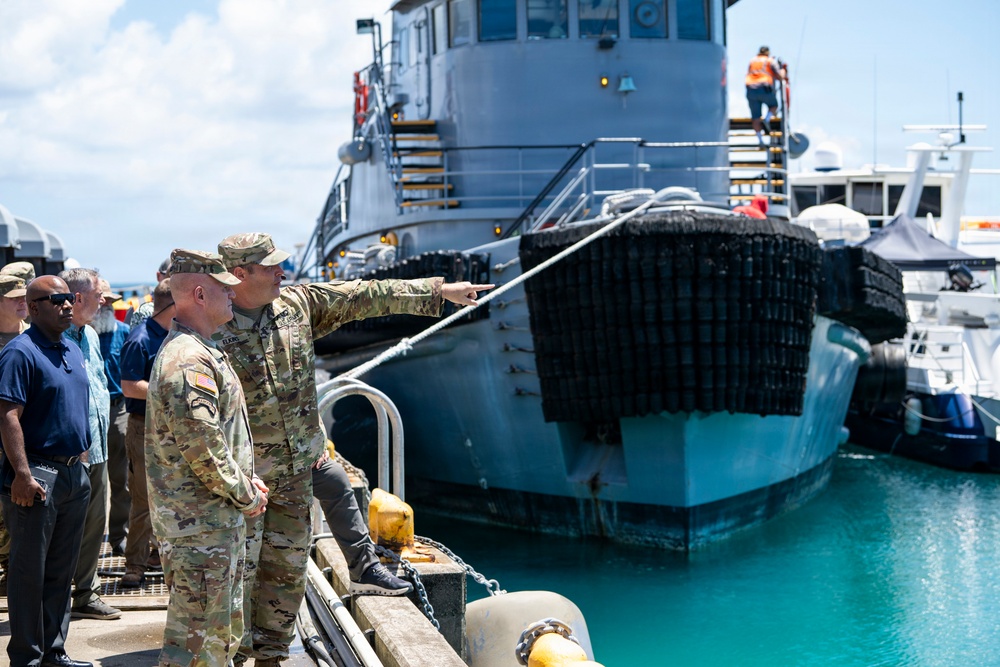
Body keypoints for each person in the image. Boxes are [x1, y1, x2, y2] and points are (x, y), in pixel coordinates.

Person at [215, 232, 493, 666]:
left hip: (298, 468)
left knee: (286, 574)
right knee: (237, 575)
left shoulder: (297, 306)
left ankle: (270, 659)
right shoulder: (211, 325)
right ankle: (231, 657)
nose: (280, 272)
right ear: (239, 274)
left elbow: (366, 295)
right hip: (242, 482)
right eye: (269, 267)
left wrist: (439, 292)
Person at [146, 249, 268, 667]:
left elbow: (217, 442)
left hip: (212, 523)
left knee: (217, 641)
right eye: (225, 288)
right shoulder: (187, 360)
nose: (234, 295)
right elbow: (204, 448)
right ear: (199, 294)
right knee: (196, 650)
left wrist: (246, 482)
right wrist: (246, 494)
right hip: (198, 528)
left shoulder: (202, 349)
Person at [0, 275, 93, 667]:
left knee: (60, 571)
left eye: (70, 298)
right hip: (38, 476)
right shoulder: (20, 353)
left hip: (75, 475)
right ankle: (26, 658)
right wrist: (22, 473)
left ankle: (54, 652)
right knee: (28, 573)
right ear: (34, 308)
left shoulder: (71, 348)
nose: (68, 305)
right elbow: (7, 415)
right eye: (57, 300)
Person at [59, 268, 122, 622]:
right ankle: (51, 598)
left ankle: (86, 593)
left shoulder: (91, 336)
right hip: (69, 453)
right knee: (63, 529)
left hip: (96, 447)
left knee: (94, 525)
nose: (104, 301)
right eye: (98, 295)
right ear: (78, 298)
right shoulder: (53, 338)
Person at [118, 279, 173, 587]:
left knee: (172, 498)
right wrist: (170, 393)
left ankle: (166, 561)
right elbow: (129, 385)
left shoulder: (173, 335)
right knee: (143, 499)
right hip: (144, 426)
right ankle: (135, 565)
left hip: (170, 427)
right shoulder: (140, 339)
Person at [94, 279, 131, 556]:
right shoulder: (78, 333)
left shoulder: (125, 332)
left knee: (122, 479)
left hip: (118, 409)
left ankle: (120, 536)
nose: (106, 304)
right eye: (102, 299)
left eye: (110, 300)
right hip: (90, 410)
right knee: (93, 480)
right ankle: (89, 543)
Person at [0, 275, 28, 594]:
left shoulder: (32, 337)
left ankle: (12, 573)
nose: (23, 302)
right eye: (14, 297)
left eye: (24, 296)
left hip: (23, 441)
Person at [745, 45, 787, 145]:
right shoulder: (770, 61)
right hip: (764, 87)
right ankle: (767, 120)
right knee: (773, 105)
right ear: (768, 53)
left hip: (750, 88)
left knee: (756, 117)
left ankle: (760, 140)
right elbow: (780, 76)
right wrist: (783, 71)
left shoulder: (752, 61)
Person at [126, 257, 171, 327]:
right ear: (158, 276)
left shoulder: (184, 306)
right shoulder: (137, 305)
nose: (172, 280)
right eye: (168, 275)